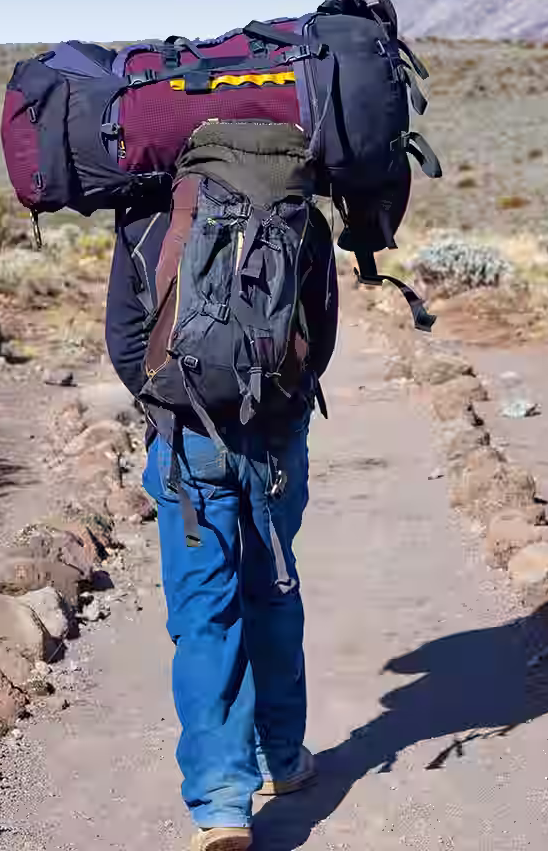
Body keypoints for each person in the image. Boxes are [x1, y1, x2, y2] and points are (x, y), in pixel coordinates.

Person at [108, 194, 338, 851]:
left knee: (206, 615)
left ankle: (220, 805)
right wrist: (282, 410)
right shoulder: (301, 212)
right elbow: (319, 335)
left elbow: (125, 341)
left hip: (187, 444)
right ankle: (281, 760)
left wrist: (167, 408)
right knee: (272, 590)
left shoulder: (149, 219)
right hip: (273, 442)